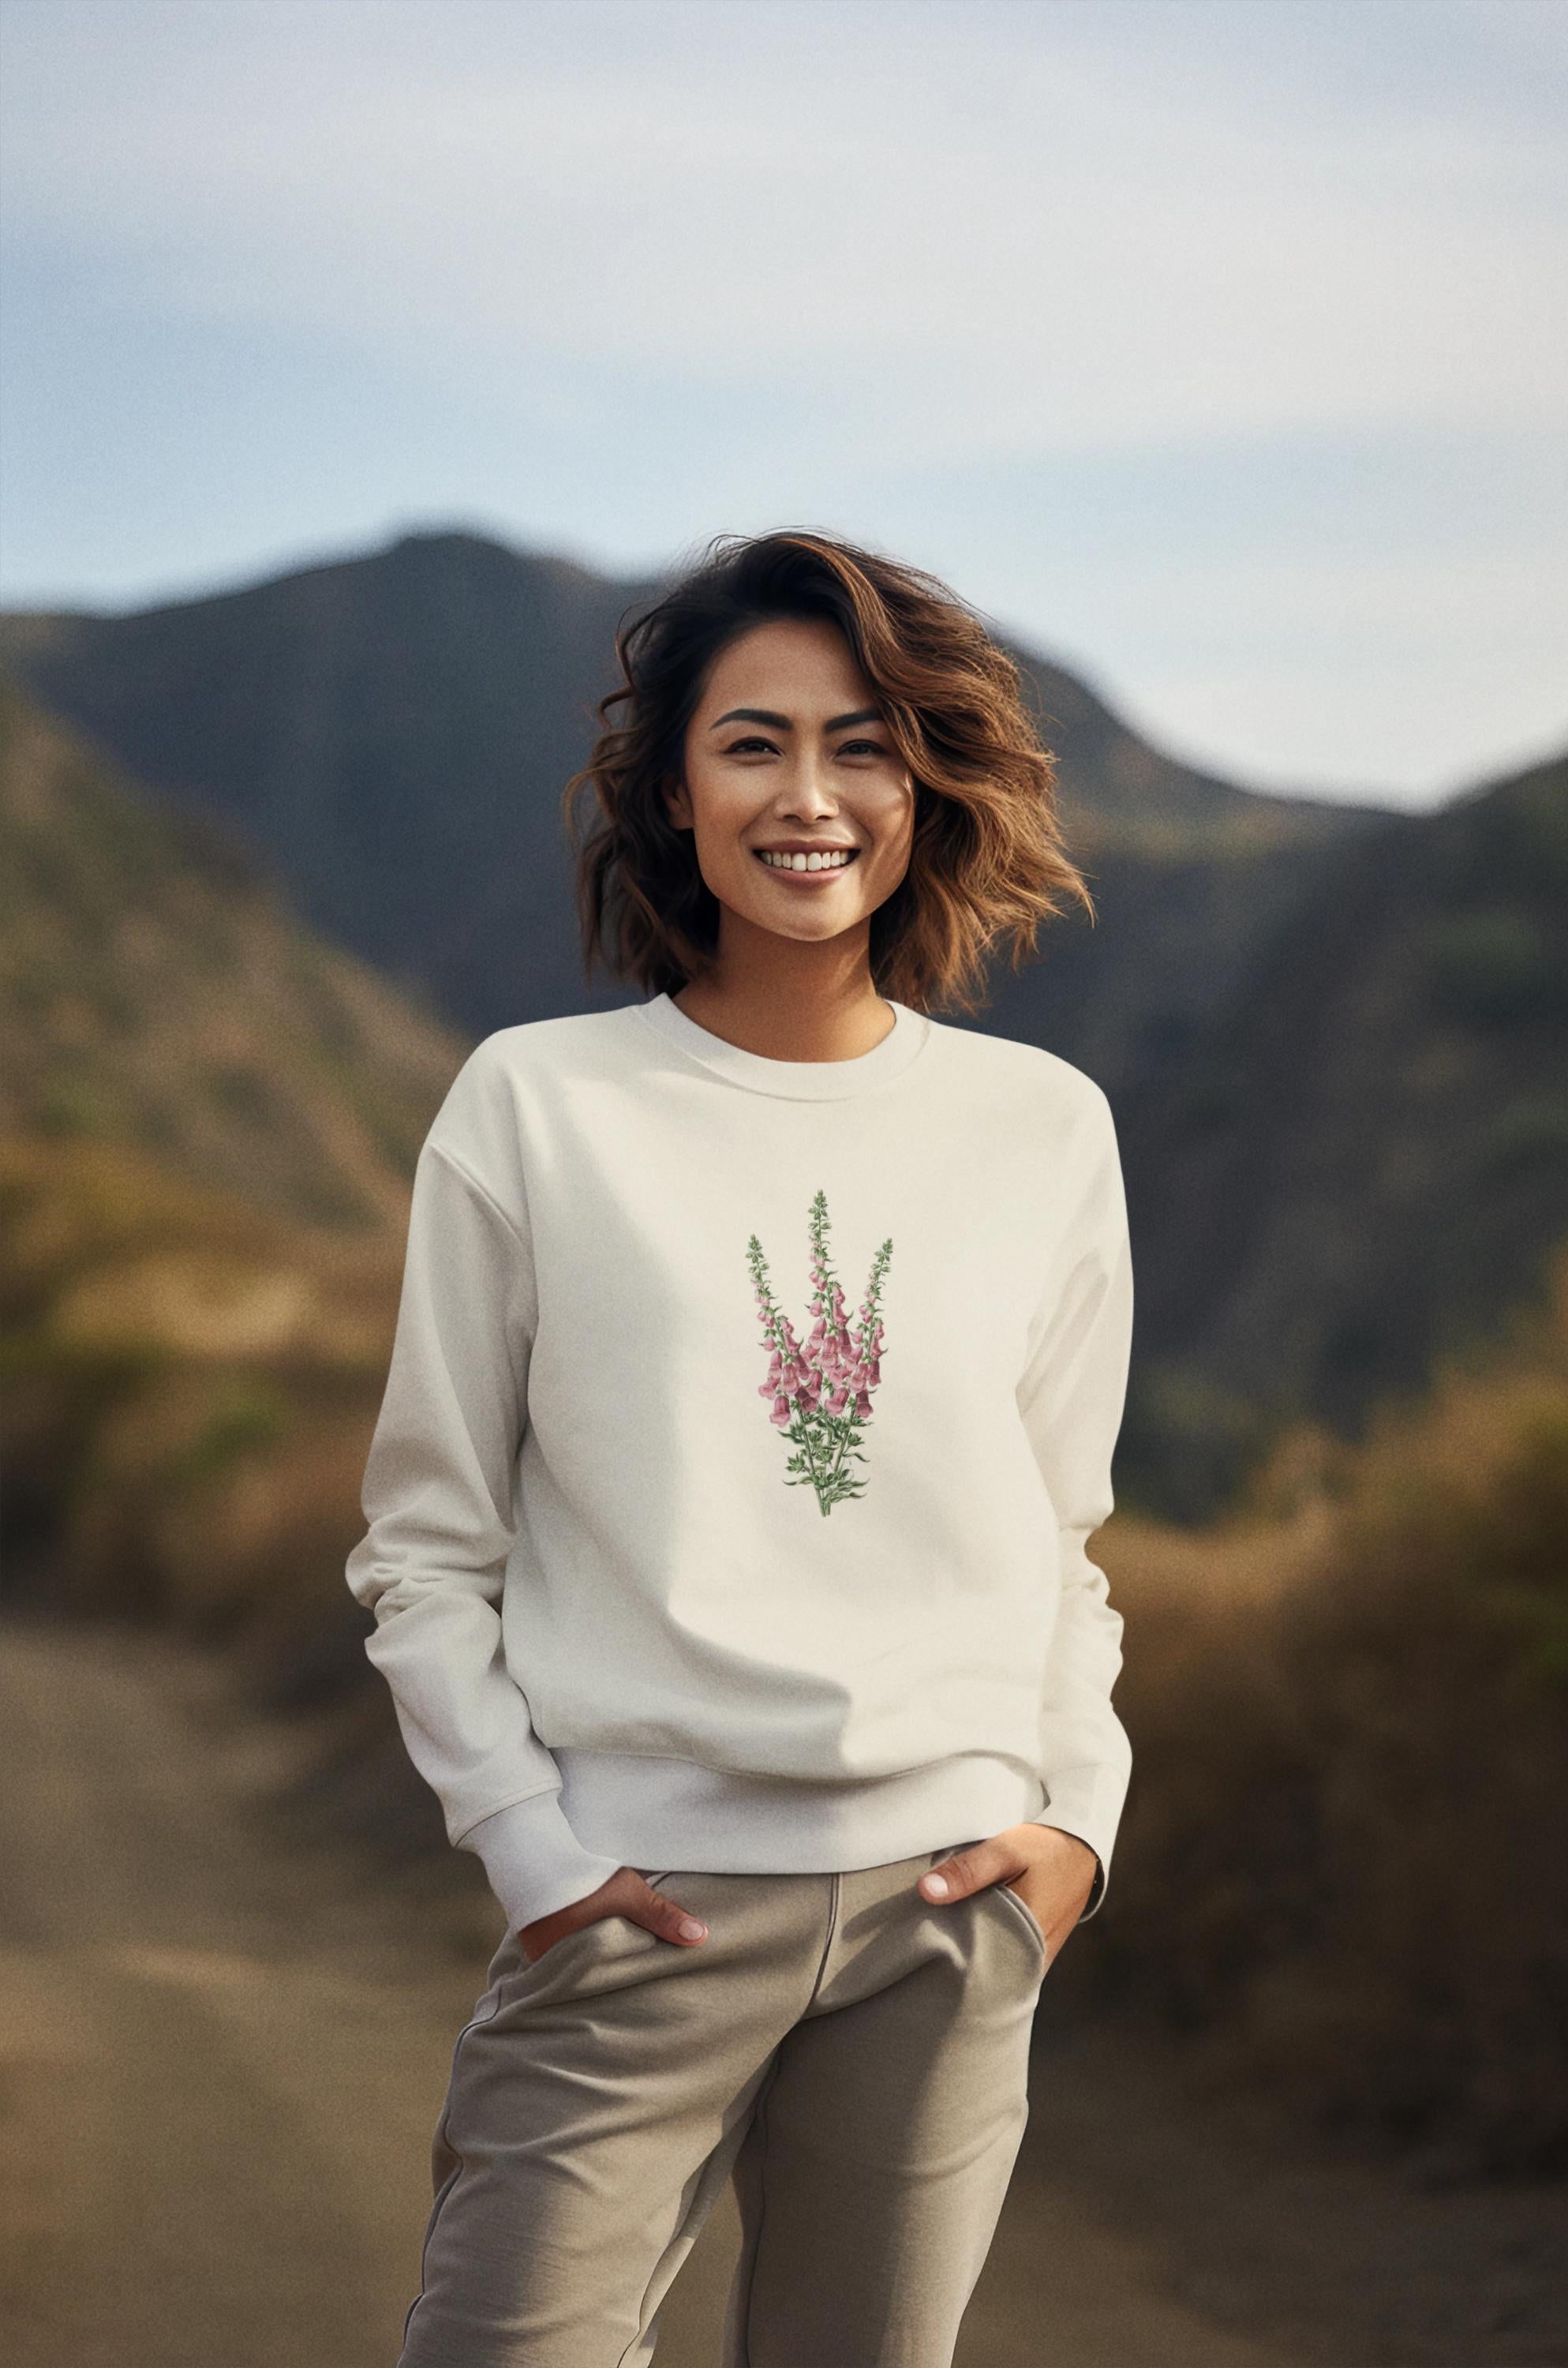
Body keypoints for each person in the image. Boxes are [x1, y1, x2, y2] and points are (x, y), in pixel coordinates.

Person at [345, 527, 1135, 2367]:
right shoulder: (536, 1105)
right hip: (639, 1911)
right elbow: (425, 1543)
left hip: (948, 1915)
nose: (811, 795)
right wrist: (533, 1849)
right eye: (753, 743)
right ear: (675, 793)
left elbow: (1058, 1542)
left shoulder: (1040, 1128)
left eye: (862, 745)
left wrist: (1072, 1832)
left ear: (923, 789)